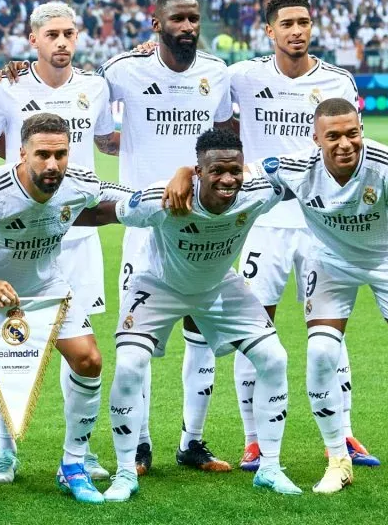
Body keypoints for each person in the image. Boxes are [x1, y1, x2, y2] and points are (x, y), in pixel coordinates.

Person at [169, 99, 388, 495]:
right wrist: (182, 173)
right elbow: (231, 175)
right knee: (322, 353)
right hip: (329, 262)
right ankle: (337, 460)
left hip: (386, 262)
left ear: (361, 129)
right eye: (333, 136)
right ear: (316, 139)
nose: (345, 143)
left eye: (352, 133)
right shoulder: (295, 168)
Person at [0, 113, 132, 509]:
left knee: (89, 360)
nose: (53, 164)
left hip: (46, 288)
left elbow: (120, 193)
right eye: (42, 154)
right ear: (22, 153)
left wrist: (168, 190)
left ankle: (72, 465)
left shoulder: (78, 183)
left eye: (60, 154)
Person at [93, 127, 302, 499]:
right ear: (199, 172)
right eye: (217, 170)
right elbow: (107, 211)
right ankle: (125, 473)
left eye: (234, 170)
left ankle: (269, 467)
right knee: (128, 364)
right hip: (158, 285)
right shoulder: (165, 198)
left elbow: (304, 172)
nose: (228, 179)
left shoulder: (259, 191)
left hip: (218, 285)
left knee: (274, 358)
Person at [0, 1, 116, 482]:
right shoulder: (7, 87)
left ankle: (80, 453)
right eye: (52, 35)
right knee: (10, 348)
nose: (62, 42)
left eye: (70, 33)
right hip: (17, 235)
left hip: (77, 231)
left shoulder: (96, 86)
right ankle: (6, 448)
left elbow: (108, 143)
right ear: (34, 39)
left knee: (81, 350)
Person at [224, 0, 373, 470]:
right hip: (261, 224)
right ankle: (252, 439)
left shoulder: (337, 80)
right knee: (254, 330)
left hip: (321, 226)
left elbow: (352, 148)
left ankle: (345, 433)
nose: (297, 30)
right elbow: (195, 79)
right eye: (286, 23)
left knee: (329, 331)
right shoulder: (242, 77)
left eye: (303, 22)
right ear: (269, 31)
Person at [101, 0, 235, 475]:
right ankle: (138, 446)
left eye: (193, 18)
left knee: (201, 334)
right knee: (137, 339)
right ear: (155, 24)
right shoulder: (123, 71)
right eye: (177, 18)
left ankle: (192, 443)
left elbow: (224, 139)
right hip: (147, 227)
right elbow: (96, 130)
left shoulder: (217, 73)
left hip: (205, 225)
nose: (188, 26)